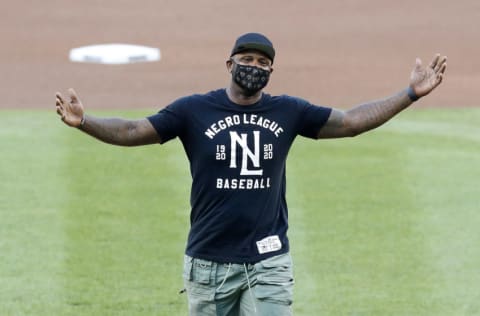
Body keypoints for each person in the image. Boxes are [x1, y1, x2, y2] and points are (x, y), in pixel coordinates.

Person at [55, 33, 447, 316]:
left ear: (272, 70)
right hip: (208, 262)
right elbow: (132, 131)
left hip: (269, 261)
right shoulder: (193, 110)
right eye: (246, 60)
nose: (253, 67)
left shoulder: (288, 111)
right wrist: (84, 121)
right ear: (229, 64)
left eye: (262, 63)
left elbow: (351, 122)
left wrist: (409, 94)